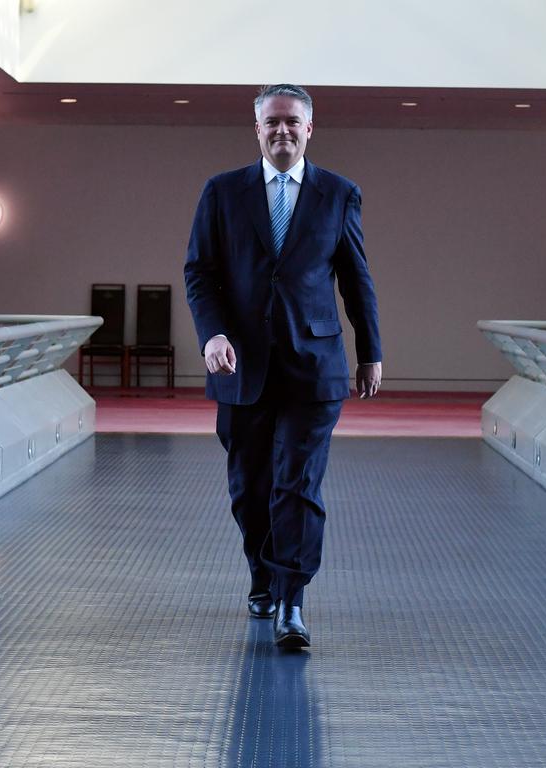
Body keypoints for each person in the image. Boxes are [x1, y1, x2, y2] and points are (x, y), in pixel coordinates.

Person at [184, 83, 382, 649]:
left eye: (292, 121)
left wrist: (370, 351)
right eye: (272, 121)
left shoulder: (338, 194)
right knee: (251, 488)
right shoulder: (222, 192)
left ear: (310, 128)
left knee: (297, 484)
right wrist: (212, 335)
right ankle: (263, 574)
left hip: (313, 367)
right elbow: (200, 273)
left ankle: (293, 600)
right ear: (257, 129)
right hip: (239, 366)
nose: (282, 130)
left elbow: (355, 278)